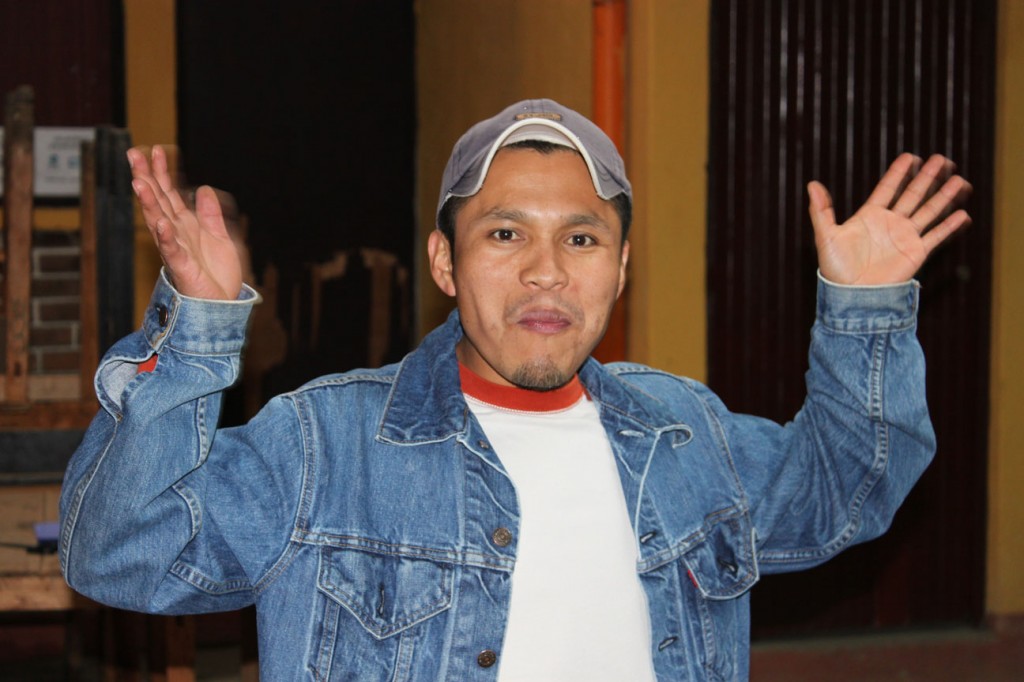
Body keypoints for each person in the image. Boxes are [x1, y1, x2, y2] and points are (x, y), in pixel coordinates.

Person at [59, 99, 970, 681]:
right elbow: (120, 553)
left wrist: (865, 310)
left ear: (621, 268)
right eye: (504, 235)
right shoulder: (324, 444)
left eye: (581, 238)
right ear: (444, 263)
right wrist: (196, 332)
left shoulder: (685, 433)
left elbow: (845, 490)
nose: (546, 271)